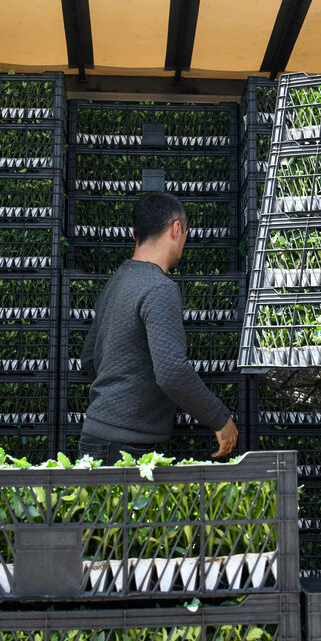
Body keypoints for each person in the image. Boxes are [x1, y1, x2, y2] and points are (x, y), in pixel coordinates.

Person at [79, 191, 239, 461]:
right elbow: (172, 372)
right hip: (126, 446)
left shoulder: (117, 281)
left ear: (134, 235)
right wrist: (221, 420)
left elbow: (88, 360)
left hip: (96, 437)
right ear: (177, 229)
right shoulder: (159, 288)